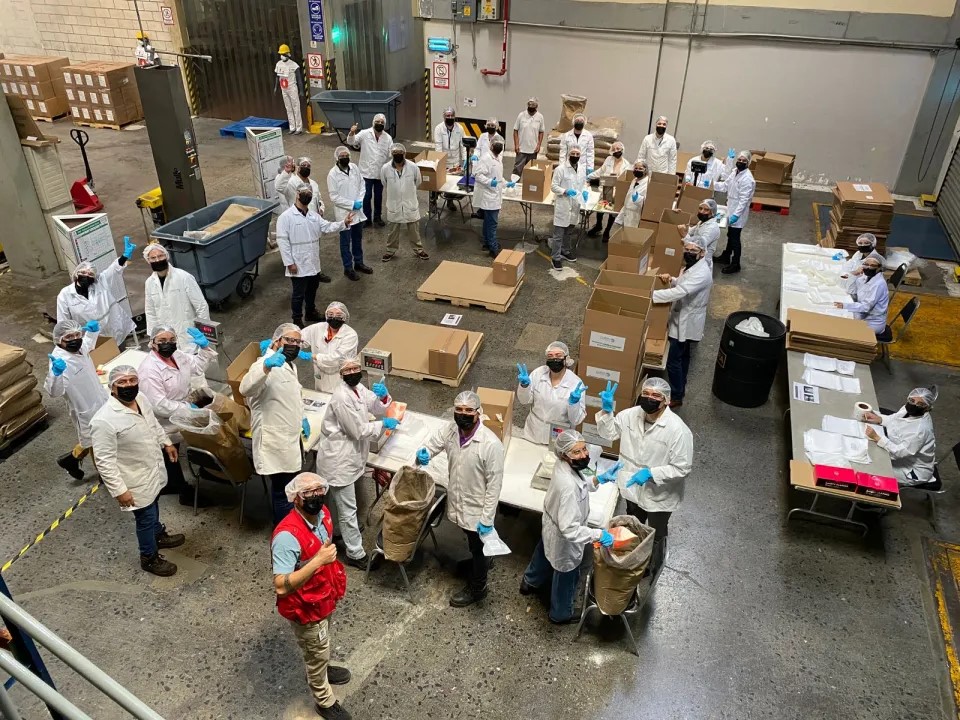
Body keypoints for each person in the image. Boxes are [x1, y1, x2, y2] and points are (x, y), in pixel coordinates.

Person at [90, 365, 185, 577]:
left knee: (154, 505)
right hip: (134, 480)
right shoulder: (104, 420)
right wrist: (119, 491)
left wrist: (166, 443)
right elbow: (104, 461)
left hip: (152, 469)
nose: (128, 386)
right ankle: (148, 557)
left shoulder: (141, 399)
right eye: (122, 382)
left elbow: (152, 425)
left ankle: (158, 534)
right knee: (145, 517)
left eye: (132, 380)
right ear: (112, 387)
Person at [271, 472, 351, 720]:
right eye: (308, 493)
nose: (316, 496)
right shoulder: (286, 537)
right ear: (295, 498)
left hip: (323, 596)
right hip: (305, 607)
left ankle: (322, 668)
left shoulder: (323, 514)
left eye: (319, 490)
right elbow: (281, 586)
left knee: (322, 643)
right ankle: (324, 700)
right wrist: (318, 562)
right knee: (316, 651)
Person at [596, 377, 693, 576]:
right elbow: (609, 434)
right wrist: (607, 412)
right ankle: (632, 556)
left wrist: (651, 474)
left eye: (655, 395)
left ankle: (653, 563)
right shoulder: (630, 415)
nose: (649, 398)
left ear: (666, 400)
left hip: (659, 495)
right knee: (633, 525)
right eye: (646, 393)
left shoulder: (678, 430)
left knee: (655, 532)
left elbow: (682, 468)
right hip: (632, 487)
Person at [415, 391, 505, 607]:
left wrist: (487, 518)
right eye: (459, 410)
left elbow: (494, 486)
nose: (463, 415)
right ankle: (482, 561)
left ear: (478, 413)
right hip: (459, 496)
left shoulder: (490, 445)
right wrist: (423, 453)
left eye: (468, 411)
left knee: (478, 546)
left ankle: (478, 588)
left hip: (478, 506)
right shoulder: (451, 430)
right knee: (472, 540)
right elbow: (433, 443)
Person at [520, 430, 616, 624]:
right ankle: (560, 613)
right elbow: (570, 530)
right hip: (565, 537)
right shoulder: (568, 488)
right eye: (577, 452)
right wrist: (598, 534)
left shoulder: (564, 465)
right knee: (567, 572)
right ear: (564, 454)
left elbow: (580, 481)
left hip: (552, 524)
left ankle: (530, 582)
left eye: (584, 448)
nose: (584, 455)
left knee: (545, 552)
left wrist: (598, 479)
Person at [315, 358, 397, 569]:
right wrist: (382, 424)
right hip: (339, 461)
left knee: (338, 504)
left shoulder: (358, 388)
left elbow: (376, 406)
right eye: (347, 369)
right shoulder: (342, 397)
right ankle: (355, 553)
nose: (352, 372)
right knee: (348, 509)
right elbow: (358, 431)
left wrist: (384, 396)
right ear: (341, 374)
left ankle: (336, 533)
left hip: (349, 457)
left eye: (355, 368)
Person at [138, 325, 217, 505]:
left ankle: (188, 477)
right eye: (162, 341)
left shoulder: (178, 356)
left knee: (175, 451)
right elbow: (159, 406)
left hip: (181, 410)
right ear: (152, 344)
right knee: (169, 452)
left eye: (171, 340)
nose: (168, 344)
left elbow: (197, 367)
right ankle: (182, 491)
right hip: (164, 421)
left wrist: (204, 348)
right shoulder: (149, 370)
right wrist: (187, 408)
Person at [241, 323, 312, 524]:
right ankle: (285, 532)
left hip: (290, 436)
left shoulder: (290, 365)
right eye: (289, 340)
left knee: (290, 488)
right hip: (275, 442)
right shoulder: (264, 364)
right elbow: (246, 388)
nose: (294, 345)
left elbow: (292, 395)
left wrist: (302, 415)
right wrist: (266, 366)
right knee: (283, 493)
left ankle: (291, 526)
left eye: (298, 342)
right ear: (276, 341)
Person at [277, 183, 353, 327]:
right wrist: (289, 262)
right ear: (297, 194)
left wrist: (343, 223)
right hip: (297, 262)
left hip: (312, 261)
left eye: (309, 192)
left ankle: (310, 312)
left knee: (312, 288)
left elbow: (327, 226)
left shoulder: (314, 216)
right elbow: (282, 241)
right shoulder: (286, 217)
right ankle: (297, 319)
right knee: (298, 293)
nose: (306, 195)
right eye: (303, 192)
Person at [652, 237, 714, 407]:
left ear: (702, 253)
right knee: (683, 355)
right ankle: (681, 387)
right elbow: (683, 283)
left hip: (689, 319)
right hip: (684, 315)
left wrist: (652, 296)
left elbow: (681, 292)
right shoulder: (694, 267)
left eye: (693, 251)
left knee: (673, 360)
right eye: (687, 249)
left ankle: (677, 395)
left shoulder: (702, 273)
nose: (689, 253)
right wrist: (671, 279)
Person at [45, 319, 108, 480]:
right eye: (69, 337)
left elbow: (88, 344)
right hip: (84, 409)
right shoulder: (60, 362)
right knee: (97, 444)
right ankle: (106, 477)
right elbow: (54, 392)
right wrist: (56, 374)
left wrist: (92, 332)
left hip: (99, 399)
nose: (75, 340)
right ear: (59, 340)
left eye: (77, 335)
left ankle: (71, 459)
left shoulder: (79, 348)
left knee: (98, 436)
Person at [57, 236, 137, 345]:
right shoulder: (65, 295)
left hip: (113, 331)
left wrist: (124, 256)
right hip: (88, 339)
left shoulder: (100, 283)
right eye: (83, 273)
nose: (86, 275)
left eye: (90, 274)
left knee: (119, 356)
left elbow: (113, 270)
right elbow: (63, 323)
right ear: (76, 275)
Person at [863, 387, 937, 487]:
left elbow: (900, 452)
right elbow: (894, 420)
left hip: (912, 470)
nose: (914, 405)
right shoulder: (908, 410)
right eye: (912, 400)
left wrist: (877, 438)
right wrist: (880, 419)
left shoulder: (920, 430)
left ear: (927, 408)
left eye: (920, 404)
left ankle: (868, 501)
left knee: (873, 471)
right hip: (902, 457)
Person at [515, 342, 586, 444]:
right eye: (550, 356)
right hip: (534, 431)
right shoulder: (538, 374)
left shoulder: (575, 384)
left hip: (559, 435)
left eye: (558, 356)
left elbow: (576, 420)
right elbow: (524, 400)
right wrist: (524, 386)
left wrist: (574, 404)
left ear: (566, 359)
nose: (554, 359)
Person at [143, 244, 210, 351]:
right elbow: (150, 312)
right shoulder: (149, 283)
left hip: (188, 334)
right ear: (148, 260)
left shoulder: (183, 277)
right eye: (153, 258)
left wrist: (203, 333)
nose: (157, 260)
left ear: (166, 256)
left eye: (160, 256)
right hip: (166, 339)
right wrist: (153, 337)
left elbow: (201, 306)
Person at [327, 146, 373, 281]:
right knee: (345, 242)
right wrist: (351, 204)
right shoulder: (332, 174)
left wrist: (359, 201)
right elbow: (334, 197)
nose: (344, 158)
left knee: (358, 239)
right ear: (337, 158)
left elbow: (362, 184)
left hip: (357, 212)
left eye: (346, 155)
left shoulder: (354, 168)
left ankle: (359, 263)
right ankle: (348, 268)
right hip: (344, 214)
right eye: (341, 156)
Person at [380, 143, 429, 262]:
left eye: (400, 153)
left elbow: (418, 182)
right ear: (392, 154)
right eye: (395, 153)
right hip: (394, 204)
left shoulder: (413, 167)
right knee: (392, 231)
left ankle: (418, 249)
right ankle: (390, 250)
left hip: (409, 203)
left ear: (404, 154)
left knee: (414, 230)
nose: (397, 155)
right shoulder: (385, 168)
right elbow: (384, 183)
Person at [301, 302, 359, 392]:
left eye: (339, 315)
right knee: (322, 400)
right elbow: (299, 337)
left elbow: (336, 359)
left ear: (345, 317)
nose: (334, 318)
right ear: (326, 315)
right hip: (320, 377)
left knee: (340, 401)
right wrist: (279, 342)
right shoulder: (317, 328)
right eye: (330, 314)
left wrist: (313, 356)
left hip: (339, 378)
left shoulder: (350, 335)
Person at [714, 149, 756, 274]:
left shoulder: (748, 179)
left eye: (744, 160)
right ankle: (726, 256)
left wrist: (736, 215)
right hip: (731, 206)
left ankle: (735, 263)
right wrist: (711, 185)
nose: (741, 162)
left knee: (735, 238)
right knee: (730, 235)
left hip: (739, 211)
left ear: (748, 163)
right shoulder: (735, 172)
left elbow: (744, 200)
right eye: (739, 160)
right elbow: (725, 186)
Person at [347, 115, 392, 227]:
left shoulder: (387, 138)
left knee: (378, 196)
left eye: (382, 122)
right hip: (365, 172)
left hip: (379, 173)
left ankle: (377, 217)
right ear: (373, 122)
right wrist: (352, 133)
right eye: (377, 121)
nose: (379, 123)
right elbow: (351, 142)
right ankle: (366, 218)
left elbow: (391, 153)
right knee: (366, 196)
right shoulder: (364, 133)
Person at [834, 252, 890, 338]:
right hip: (863, 314)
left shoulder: (879, 284)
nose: (868, 267)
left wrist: (845, 305)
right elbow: (851, 289)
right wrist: (854, 274)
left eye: (872, 266)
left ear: (880, 268)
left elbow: (866, 306)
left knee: (842, 330)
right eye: (866, 264)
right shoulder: (864, 277)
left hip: (873, 322)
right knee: (837, 317)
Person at [474, 138, 513, 258]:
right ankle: (493, 248)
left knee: (488, 221)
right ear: (491, 146)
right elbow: (478, 175)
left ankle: (487, 242)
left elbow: (498, 177)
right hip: (489, 196)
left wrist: (507, 183)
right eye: (496, 144)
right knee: (492, 223)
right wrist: (491, 182)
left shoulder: (498, 158)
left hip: (494, 194)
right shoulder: (486, 158)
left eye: (501, 144)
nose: (499, 146)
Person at [550, 146, 588, 269]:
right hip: (563, 204)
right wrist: (565, 191)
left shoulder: (582, 169)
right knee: (558, 234)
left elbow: (583, 184)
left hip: (575, 204)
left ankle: (565, 251)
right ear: (568, 154)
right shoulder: (560, 169)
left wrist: (585, 192)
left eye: (578, 154)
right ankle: (555, 257)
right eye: (573, 153)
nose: (575, 156)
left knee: (569, 232)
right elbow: (553, 186)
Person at [587, 140, 629, 241]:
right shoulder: (609, 159)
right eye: (614, 149)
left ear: (622, 149)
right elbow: (601, 171)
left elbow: (625, 181)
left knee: (612, 212)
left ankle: (607, 230)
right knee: (600, 208)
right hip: (605, 189)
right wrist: (589, 176)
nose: (616, 151)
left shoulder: (627, 165)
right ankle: (598, 225)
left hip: (617, 191)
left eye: (618, 149)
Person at [679, 199, 721, 267]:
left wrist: (685, 235)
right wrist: (679, 215)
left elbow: (697, 246)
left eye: (706, 210)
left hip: (701, 263)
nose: (702, 211)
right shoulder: (702, 222)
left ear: (712, 212)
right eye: (700, 208)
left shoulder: (712, 228)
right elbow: (690, 231)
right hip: (693, 258)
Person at [612, 160, 649, 232]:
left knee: (631, 235)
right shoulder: (634, 180)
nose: (637, 170)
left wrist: (638, 199)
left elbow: (647, 202)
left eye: (640, 169)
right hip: (627, 211)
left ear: (646, 170)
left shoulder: (648, 183)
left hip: (635, 214)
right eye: (636, 168)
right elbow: (628, 198)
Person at [274, 44, 303, 135]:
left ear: (287, 54)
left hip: (292, 88)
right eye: (281, 54)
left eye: (283, 54)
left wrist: (301, 90)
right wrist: (276, 87)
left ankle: (299, 127)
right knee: (288, 108)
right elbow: (277, 76)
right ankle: (292, 127)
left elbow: (299, 79)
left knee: (296, 107)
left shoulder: (294, 65)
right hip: (284, 88)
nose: (281, 56)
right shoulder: (279, 64)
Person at [513, 97, 545, 177]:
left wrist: (538, 145)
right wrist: (516, 144)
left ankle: (528, 188)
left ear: (536, 106)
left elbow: (541, 132)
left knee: (531, 172)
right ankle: (513, 186)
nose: (531, 106)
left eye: (533, 105)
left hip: (533, 150)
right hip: (521, 149)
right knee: (517, 170)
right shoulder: (521, 115)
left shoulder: (540, 117)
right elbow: (515, 130)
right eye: (529, 104)